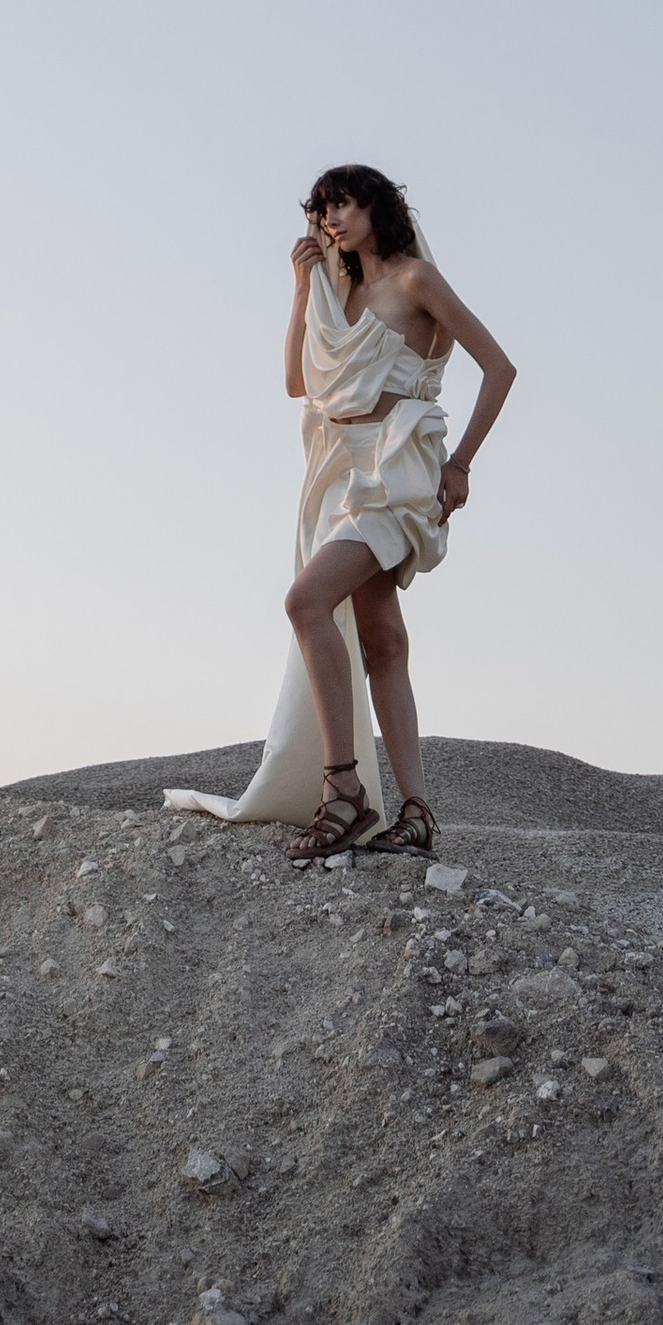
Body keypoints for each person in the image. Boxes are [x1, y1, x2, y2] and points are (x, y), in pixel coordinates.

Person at [280, 165, 515, 865]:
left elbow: (499, 367)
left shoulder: (415, 280)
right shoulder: (338, 289)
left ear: (375, 205)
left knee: (305, 601)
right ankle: (414, 813)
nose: (331, 220)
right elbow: (298, 383)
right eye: (322, 210)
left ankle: (343, 790)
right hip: (344, 470)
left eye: (342, 203)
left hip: (399, 466)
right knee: (382, 640)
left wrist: (461, 462)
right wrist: (302, 289)